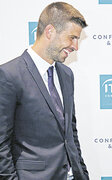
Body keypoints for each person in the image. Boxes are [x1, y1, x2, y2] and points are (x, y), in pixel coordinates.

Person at [0, 2, 89, 180]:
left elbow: (70, 132)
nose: (75, 46)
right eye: (72, 37)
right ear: (50, 31)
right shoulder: (9, 75)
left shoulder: (66, 74)